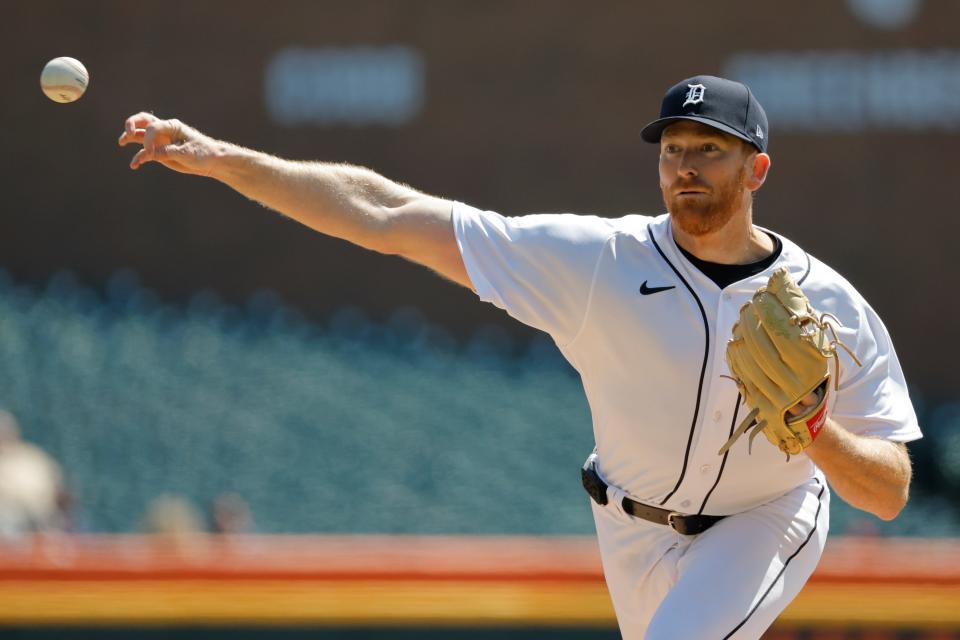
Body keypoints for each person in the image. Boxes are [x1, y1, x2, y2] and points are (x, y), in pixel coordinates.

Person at [119, 75, 920, 639]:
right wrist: (222, 159)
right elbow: (390, 213)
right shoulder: (600, 261)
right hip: (628, 527)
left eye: (710, 150)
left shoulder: (828, 304)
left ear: (757, 168)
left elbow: (888, 492)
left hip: (764, 517)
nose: (685, 166)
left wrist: (818, 432)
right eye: (674, 148)